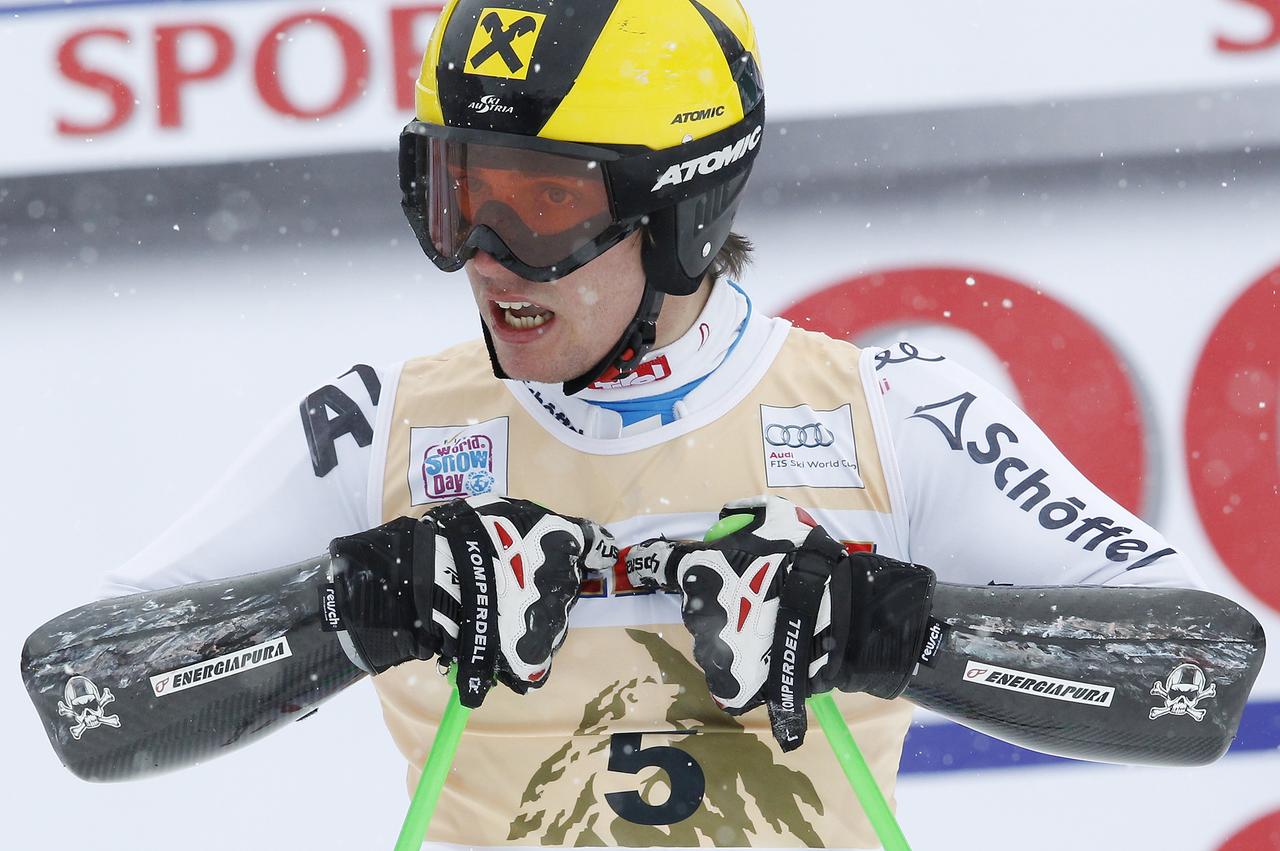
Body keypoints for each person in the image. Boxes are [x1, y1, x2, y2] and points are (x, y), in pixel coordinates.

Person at [20, 1, 1264, 849]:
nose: (487, 260)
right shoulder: (386, 422)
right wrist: (362, 603)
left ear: (679, 213)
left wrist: (882, 626)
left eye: (540, 206)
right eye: (455, 194)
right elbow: (85, 694)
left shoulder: (891, 412)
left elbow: (1195, 676)